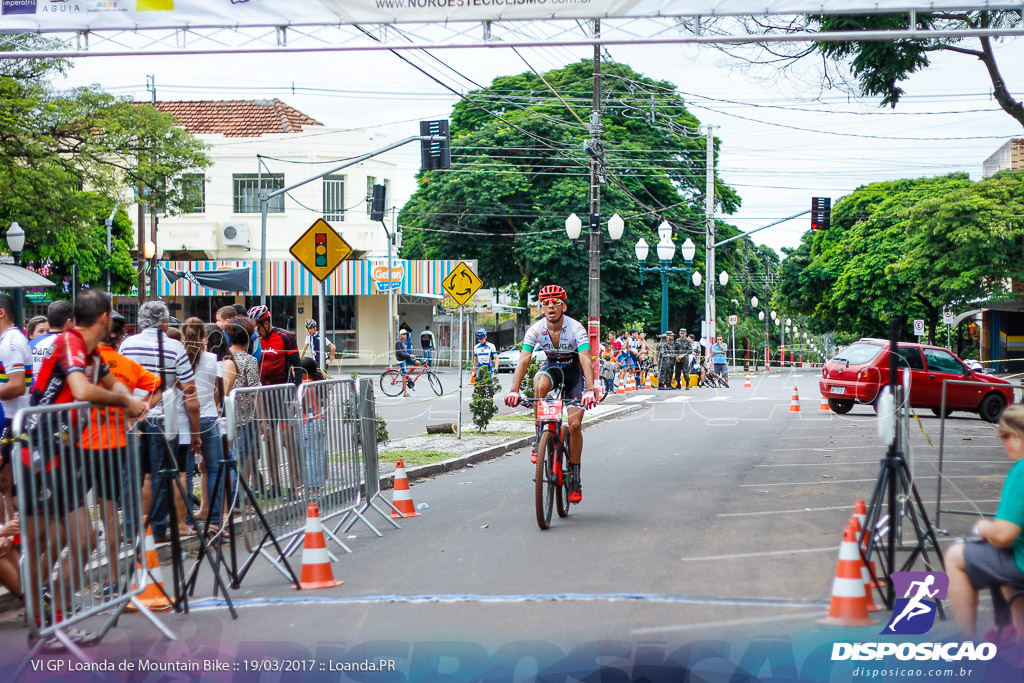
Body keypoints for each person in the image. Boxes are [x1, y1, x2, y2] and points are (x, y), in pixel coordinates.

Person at [24, 289, 147, 628]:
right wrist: (124, 405)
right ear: (105, 317)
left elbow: (113, 385)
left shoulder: (92, 352)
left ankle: (55, 614)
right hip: (37, 451)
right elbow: (81, 390)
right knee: (37, 542)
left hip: (64, 453)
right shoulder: (70, 342)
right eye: (114, 318)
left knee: (84, 539)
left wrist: (135, 402)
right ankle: (42, 619)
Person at [504, 284, 597, 503]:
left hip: (575, 373)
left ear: (563, 306)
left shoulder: (576, 329)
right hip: (553, 367)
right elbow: (524, 360)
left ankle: (575, 477)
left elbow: (585, 358)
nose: (550, 307)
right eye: (546, 303)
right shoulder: (535, 330)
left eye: (555, 303)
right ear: (542, 308)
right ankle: (540, 438)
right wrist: (514, 390)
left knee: (574, 426)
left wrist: (590, 390)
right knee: (539, 382)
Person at [83, 311, 161, 570]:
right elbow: (158, 387)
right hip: (115, 443)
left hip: (81, 444)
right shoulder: (126, 364)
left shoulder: (84, 361)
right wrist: (140, 410)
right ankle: (114, 578)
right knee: (107, 512)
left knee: (69, 509)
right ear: (120, 335)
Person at [120, 300, 202, 542]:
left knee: (134, 475)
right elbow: (189, 389)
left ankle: (131, 528)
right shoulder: (175, 347)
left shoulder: (127, 344)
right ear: (164, 322)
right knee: (163, 474)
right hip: (164, 419)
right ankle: (155, 530)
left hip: (132, 418)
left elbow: (120, 381)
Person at [946, 404, 1024, 639]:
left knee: (956, 556)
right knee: (997, 563)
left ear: (1016, 436)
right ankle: (1015, 634)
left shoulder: (1021, 471)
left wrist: (982, 527)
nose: (1004, 445)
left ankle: (967, 642)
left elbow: (1003, 535)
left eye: (1005, 438)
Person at [180, 318, 227, 538]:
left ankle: (188, 520)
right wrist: (216, 407)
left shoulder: (179, 357)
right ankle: (216, 520)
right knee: (215, 469)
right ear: (203, 337)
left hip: (186, 418)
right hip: (209, 417)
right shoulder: (212, 358)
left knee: (186, 472)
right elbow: (218, 391)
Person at [0, 294, 32, 523]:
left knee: (10, 486)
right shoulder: (7, 340)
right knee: (7, 486)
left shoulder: (10, 343)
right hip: (11, 420)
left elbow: (17, 385)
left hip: (13, 421)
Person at [248, 305, 300, 386]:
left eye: (257, 328)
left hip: (282, 388)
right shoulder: (254, 340)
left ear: (266, 323)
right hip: (261, 388)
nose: (255, 332)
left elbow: (297, 366)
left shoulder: (285, 336)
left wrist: (298, 391)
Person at [30, 300, 74, 384]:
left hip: (33, 393)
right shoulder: (69, 344)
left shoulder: (31, 344)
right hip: (57, 394)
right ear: (69, 322)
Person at [395, 329, 416, 397]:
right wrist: (409, 355)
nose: (405, 336)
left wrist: (410, 356)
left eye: (405, 334)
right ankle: (405, 392)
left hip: (405, 357)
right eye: (403, 334)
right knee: (404, 375)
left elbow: (405, 352)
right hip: (401, 360)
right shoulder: (398, 342)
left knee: (417, 363)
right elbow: (400, 353)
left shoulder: (403, 342)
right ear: (400, 335)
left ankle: (407, 375)